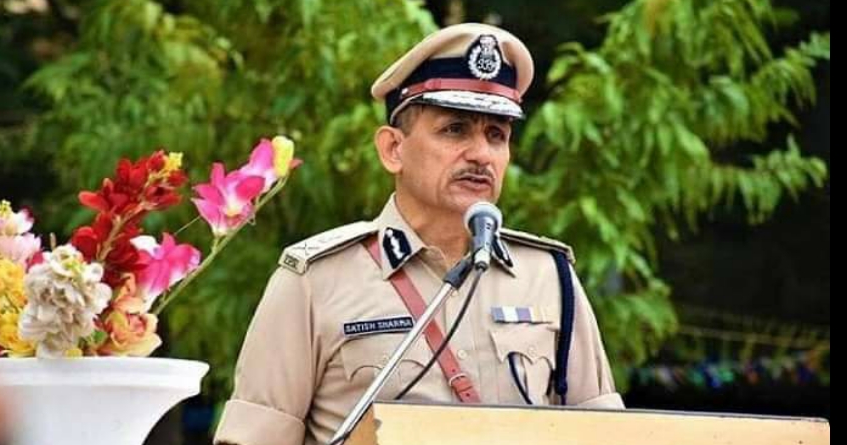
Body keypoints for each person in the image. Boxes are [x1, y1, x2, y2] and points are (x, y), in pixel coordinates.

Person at [214, 22, 623, 445]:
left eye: (496, 135)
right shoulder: (315, 280)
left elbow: (607, 436)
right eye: (455, 130)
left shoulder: (549, 276)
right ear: (393, 149)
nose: (481, 154)